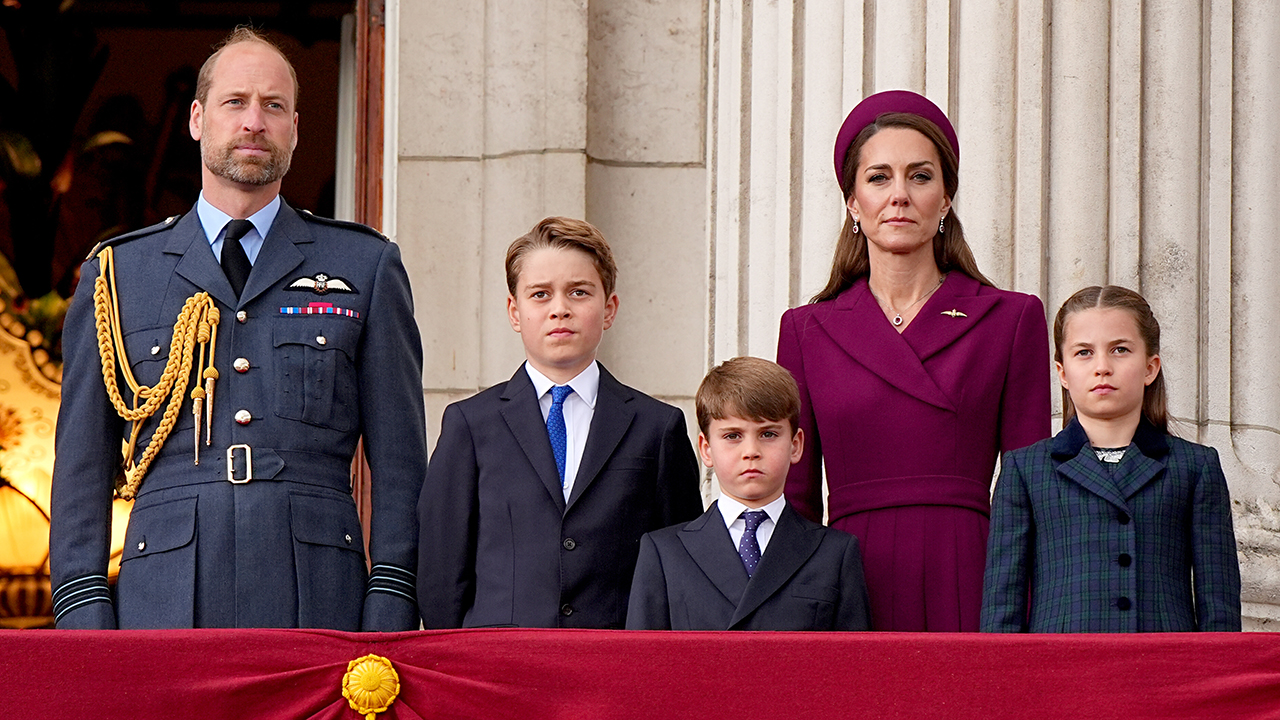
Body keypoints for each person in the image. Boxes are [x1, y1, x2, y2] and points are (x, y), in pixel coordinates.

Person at [48, 28, 427, 631]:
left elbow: (401, 460)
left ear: (296, 128)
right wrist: (82, 604)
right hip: (161, 603)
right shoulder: (118, 274)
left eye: (273, 106)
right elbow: (82, 465)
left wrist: (393, 594)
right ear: (197, 119)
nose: (254, 121)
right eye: (235, 102)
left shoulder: (365, 266)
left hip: (320, 600)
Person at [776, 90, 1051, 632]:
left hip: (972, 573)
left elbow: (1029, 493)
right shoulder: (805, 330)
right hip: (847, 577)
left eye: (920, 176)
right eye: (879, 177)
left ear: (946, 198)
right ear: (853, 201)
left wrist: (1019, 610)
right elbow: (796, 495)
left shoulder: (1011, 319)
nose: (899, 195)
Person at [416, 216, 703, 629]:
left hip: (613, 667)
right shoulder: (470, 424)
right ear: (515, 312)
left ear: (609, 309)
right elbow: (441, 570)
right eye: (540, 295)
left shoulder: (656, 428)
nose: (560, 309)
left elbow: (676, 568)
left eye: (579, 292)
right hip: (499, 669)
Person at [981, 286, 1240, 632]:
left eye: (1119, 350)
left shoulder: (1194, 467)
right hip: (1060, 670)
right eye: (1084, 352)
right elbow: (1002, 607)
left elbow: (1218, 607)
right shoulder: (1025, 470)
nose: (1102, 367)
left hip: (1166, 670)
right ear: (1062, 372)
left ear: (1150, 367)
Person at [626, 356, 871, 631]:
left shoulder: (834, 553)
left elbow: (851, 666)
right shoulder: (664, 553)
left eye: (768, 434)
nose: (751, 451)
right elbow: (643, 664)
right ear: (706, 449)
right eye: (732, 436)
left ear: (796, 445)